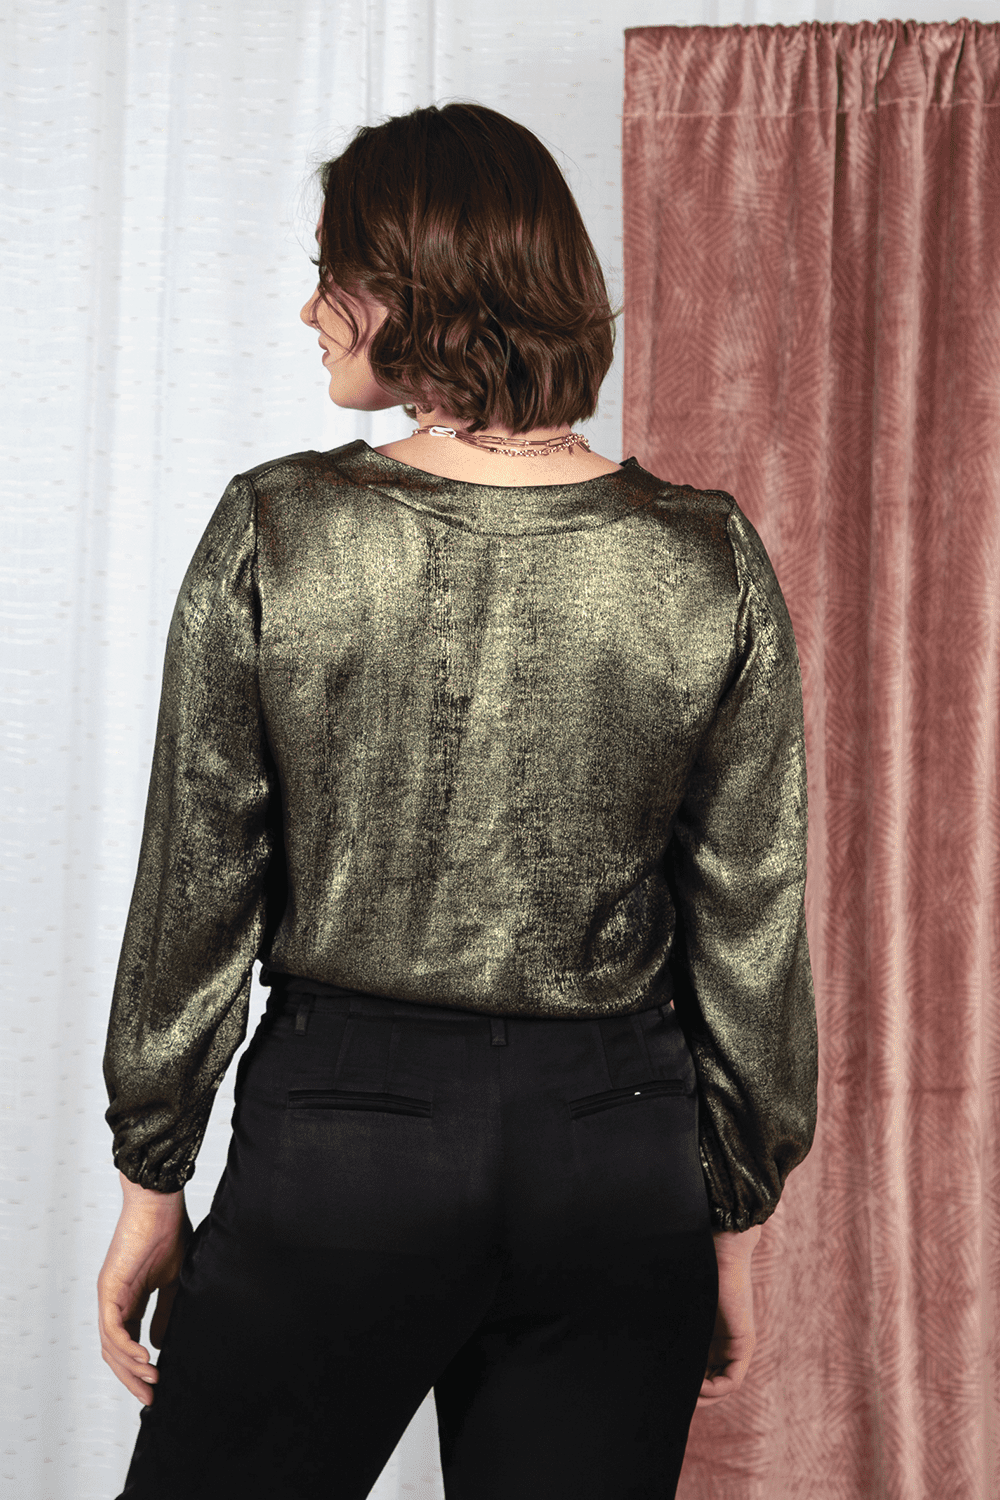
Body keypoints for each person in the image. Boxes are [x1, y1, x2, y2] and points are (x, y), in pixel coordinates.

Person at [97, 101, 818, 1500]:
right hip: (618, 1159)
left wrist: (151, 1176)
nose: (310, 309)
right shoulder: (705, 556)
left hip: (344, 1146)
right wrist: (729, 1217)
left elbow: (201, 878)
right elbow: (750, 918)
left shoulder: (278, 528)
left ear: (416, 287)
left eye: (334, 273)